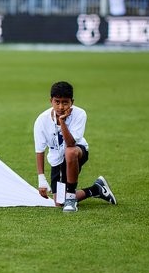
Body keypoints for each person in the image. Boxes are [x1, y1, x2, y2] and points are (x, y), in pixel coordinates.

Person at [34, 81, 117, 212]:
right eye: (57, 102)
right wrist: (41, 179)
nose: (61, 106)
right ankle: (96, 189)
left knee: (70, 152)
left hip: (77, 152)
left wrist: (62, 122)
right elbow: (39, 150)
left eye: (65, 102)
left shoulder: (80, 114)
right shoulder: (41, 120)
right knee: (59, 203)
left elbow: (71, 143)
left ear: (72, 102)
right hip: (57, 160)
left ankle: (71, 198)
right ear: (51, 101)